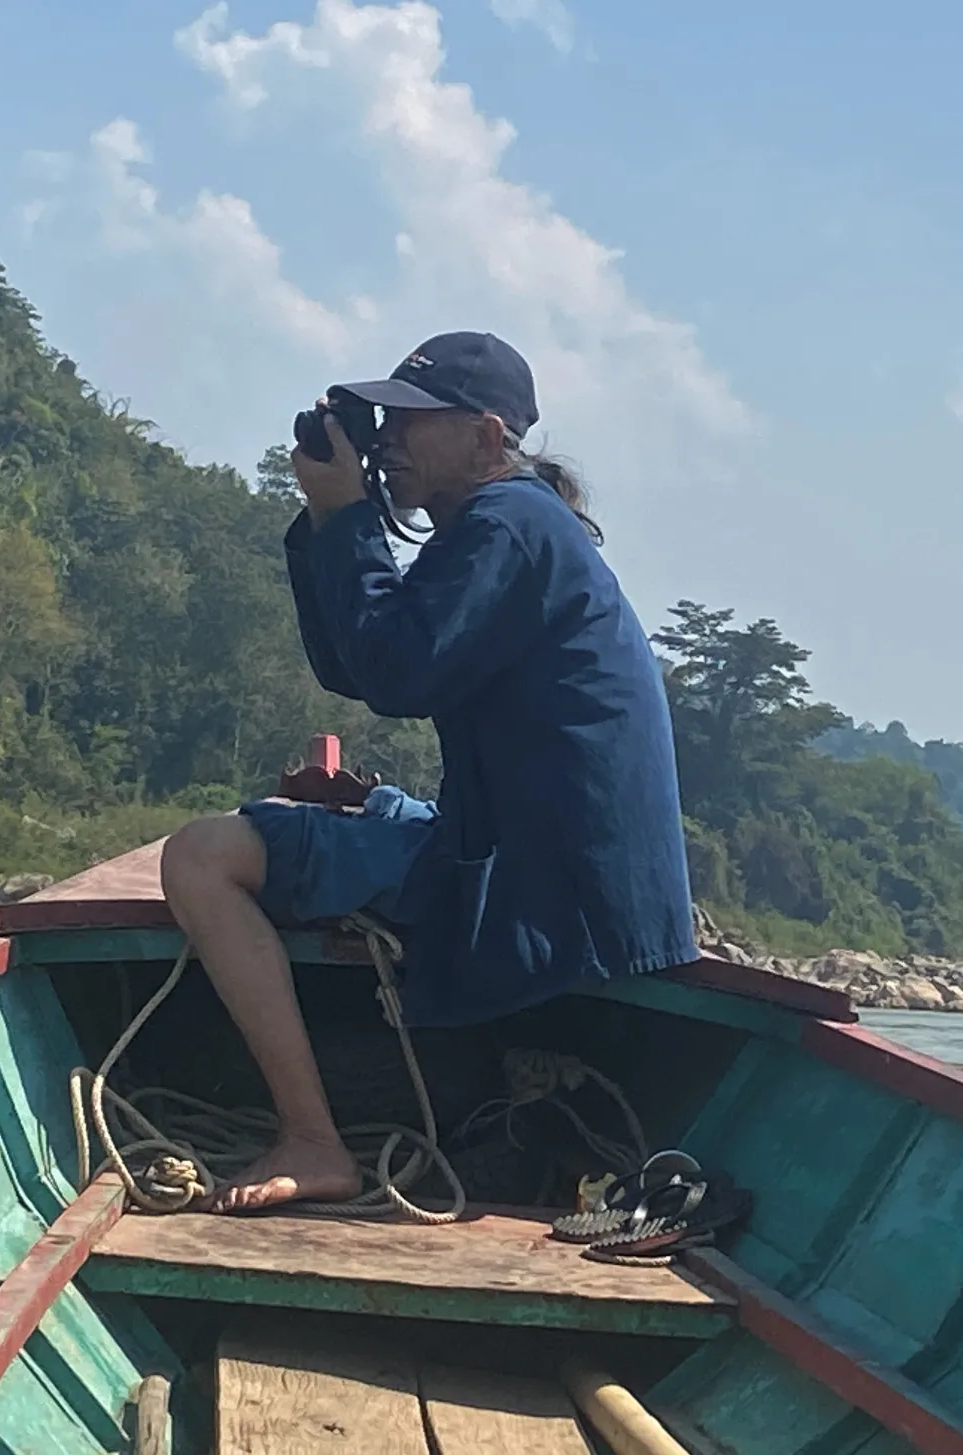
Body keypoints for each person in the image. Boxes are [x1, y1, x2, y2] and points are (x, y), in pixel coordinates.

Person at [158, 331, 697, 1212]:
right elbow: (355, 666)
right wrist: (336, 520)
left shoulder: (508, 524)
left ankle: (313, 1140)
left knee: (201, 857)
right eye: (384, 424)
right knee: (276, 822)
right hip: (539, 865)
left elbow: (397, 672)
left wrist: (347, 518)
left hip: (541, 887)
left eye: (410, 423)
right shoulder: (517, 527)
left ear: (486, 441)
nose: (385, 443)